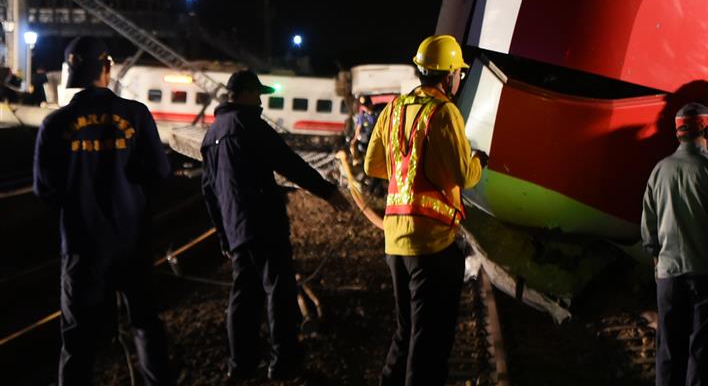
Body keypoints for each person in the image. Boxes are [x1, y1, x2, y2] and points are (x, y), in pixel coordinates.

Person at [33, 36, 173, 386]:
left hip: (83, 245)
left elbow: (45, 190)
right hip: (132, 242)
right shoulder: (137, 115)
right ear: (106, 67)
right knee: (145, 325)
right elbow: (160, 175)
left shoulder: (54, 125)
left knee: (78, 340)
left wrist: (81, 204)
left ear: (72, 71)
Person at [201, 69, 350, 382]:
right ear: (243, 93)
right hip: (264, 223)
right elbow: (289, 163)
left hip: (237, 229)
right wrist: (328, 192)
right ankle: (283, 360)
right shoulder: (249, 125)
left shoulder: (211, 134)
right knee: (278, 291)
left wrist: (224, 236)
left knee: (243, 297)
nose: (260, 101)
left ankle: (240, 364)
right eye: (257, 94)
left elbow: (209, 191)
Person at [364, 34, 487, 386]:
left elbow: (374, 166)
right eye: (458, 73)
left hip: (395, 241)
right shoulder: (444, 112)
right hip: (433, 244)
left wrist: (408, 168)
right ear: (448, 76)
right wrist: (480, 161)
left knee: (405, 332)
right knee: (430, 340)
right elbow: (464, 175)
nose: (459, 80)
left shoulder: (393, 109)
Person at [642, 102, 708, 386]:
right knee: (704, 352)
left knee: (668, 352)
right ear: (706, 128)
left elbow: (648, 230)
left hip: (668, 275)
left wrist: (657, 258)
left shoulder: (659, 171)